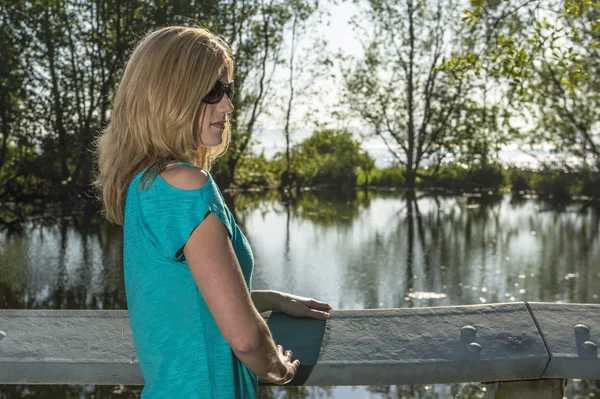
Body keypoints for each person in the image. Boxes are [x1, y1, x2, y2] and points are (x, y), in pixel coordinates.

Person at [92, 26, 332, 398]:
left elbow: (192, 309)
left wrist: (272, 300)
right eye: (213, 91)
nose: (228, 106)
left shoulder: (148, 186)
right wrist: (281, 368)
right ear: (170, 97)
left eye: (228, 90)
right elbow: (246, 340)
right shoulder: (186, 185)